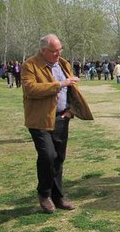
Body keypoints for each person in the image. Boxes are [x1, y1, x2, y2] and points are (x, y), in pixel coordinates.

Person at [22, 34, 93, 213]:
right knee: (48, 156)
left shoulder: (64, 64)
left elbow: (71, 89)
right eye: (54, 51)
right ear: (43, 50)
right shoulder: (30, 65)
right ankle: (44, 194)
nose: (58, 54)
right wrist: (59, 84)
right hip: (40, 120)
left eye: (60, 50)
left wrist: (70, 110)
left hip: (62, 118)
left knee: (59, 158)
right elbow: (30, 89)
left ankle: (58, 196)